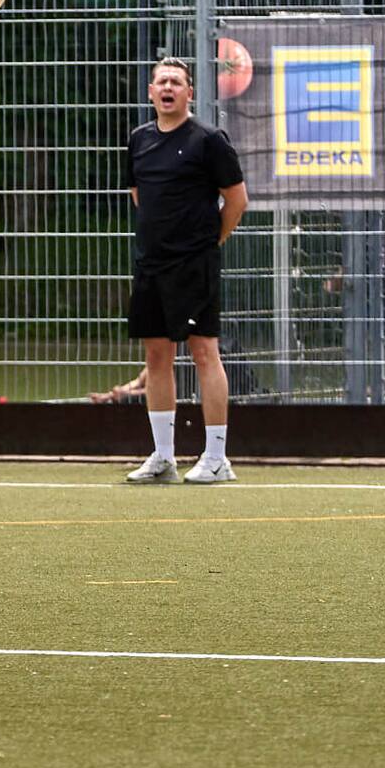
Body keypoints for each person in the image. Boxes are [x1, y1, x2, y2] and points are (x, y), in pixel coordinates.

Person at [124, 56, 248, 485]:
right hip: (151, 265)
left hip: (195, 264)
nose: (168, 88)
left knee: (203, 350)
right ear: (151, 92)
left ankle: (217, 458)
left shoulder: (209, 140)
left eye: (177, 82)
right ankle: (163, 456)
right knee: (157, 354)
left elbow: (236, 200)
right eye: (162, 82)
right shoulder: (138, 139)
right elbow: (141, 194)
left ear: (189, 92)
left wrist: (209, 242)